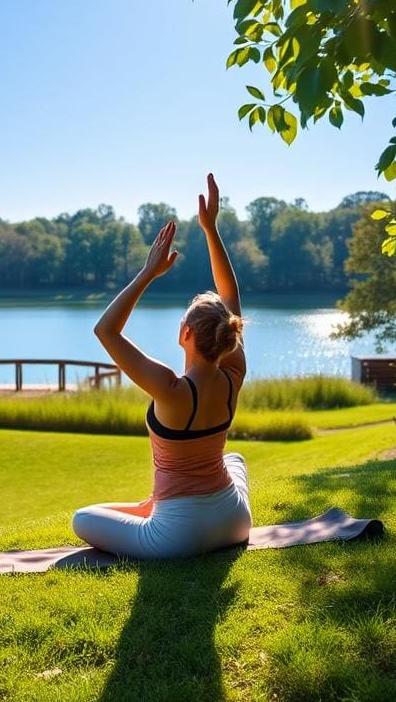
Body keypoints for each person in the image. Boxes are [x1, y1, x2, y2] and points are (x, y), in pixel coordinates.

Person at [72, 173, 251, 558]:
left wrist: (147, 273)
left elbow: (105, 329)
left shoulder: (169, 389)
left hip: (177, 535)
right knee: (233, 458)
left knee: (82, 518)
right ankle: (150, 504)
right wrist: (210, 229)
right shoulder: (233, 376)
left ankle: (151, 508)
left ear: (185, 332)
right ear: (226, 335)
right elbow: (230, 295)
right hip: (235, 521)